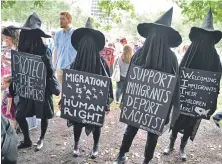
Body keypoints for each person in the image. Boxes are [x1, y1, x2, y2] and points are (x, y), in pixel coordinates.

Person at [114, 7, 182, 164]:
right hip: (155, 105)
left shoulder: (141, 53)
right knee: (150, 133)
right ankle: (142, 159)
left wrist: (126, 98)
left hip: (145, 103)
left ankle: (123, 156)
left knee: (132, 129)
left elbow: (129, 80)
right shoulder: (170, 57)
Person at [163, 9, 222, 161]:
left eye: (208, 37)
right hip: (184, 97)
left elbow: (216, 80)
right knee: (177, 121)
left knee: (191, 124)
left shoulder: (214, 57)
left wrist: (211, 99)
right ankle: (171, 143)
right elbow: (180, 72)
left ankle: (182, 147)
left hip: (200, 100)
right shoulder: (190, 52)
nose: (204, 40)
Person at [62, 17, 113, 159]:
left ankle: (95, 146)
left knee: (96, 122)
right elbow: (69, 83)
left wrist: (106, 104)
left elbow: (107, 83)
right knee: (78, 121)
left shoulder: (101, 62)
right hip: (79, 101)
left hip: (95, 102)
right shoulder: (76, 61)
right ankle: (76, 144)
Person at [12, 12, 60, 151]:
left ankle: (41, 138)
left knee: (44, 114)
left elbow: (50, 72)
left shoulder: (45, 50)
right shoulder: (21, 51)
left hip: (42, 88)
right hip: (26, 88)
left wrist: (44, 61)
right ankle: (27, 139)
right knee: (19, 115)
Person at [53, 11, 77, 88]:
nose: (60, 21)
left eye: (63, 19)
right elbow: (56, 49)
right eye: (60, 19)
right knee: (62, 90)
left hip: (72, 68)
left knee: (70, 91)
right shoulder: (58, 34)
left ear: (69, 20)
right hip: (60, 67)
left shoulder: (75, 33)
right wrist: (54, 64)